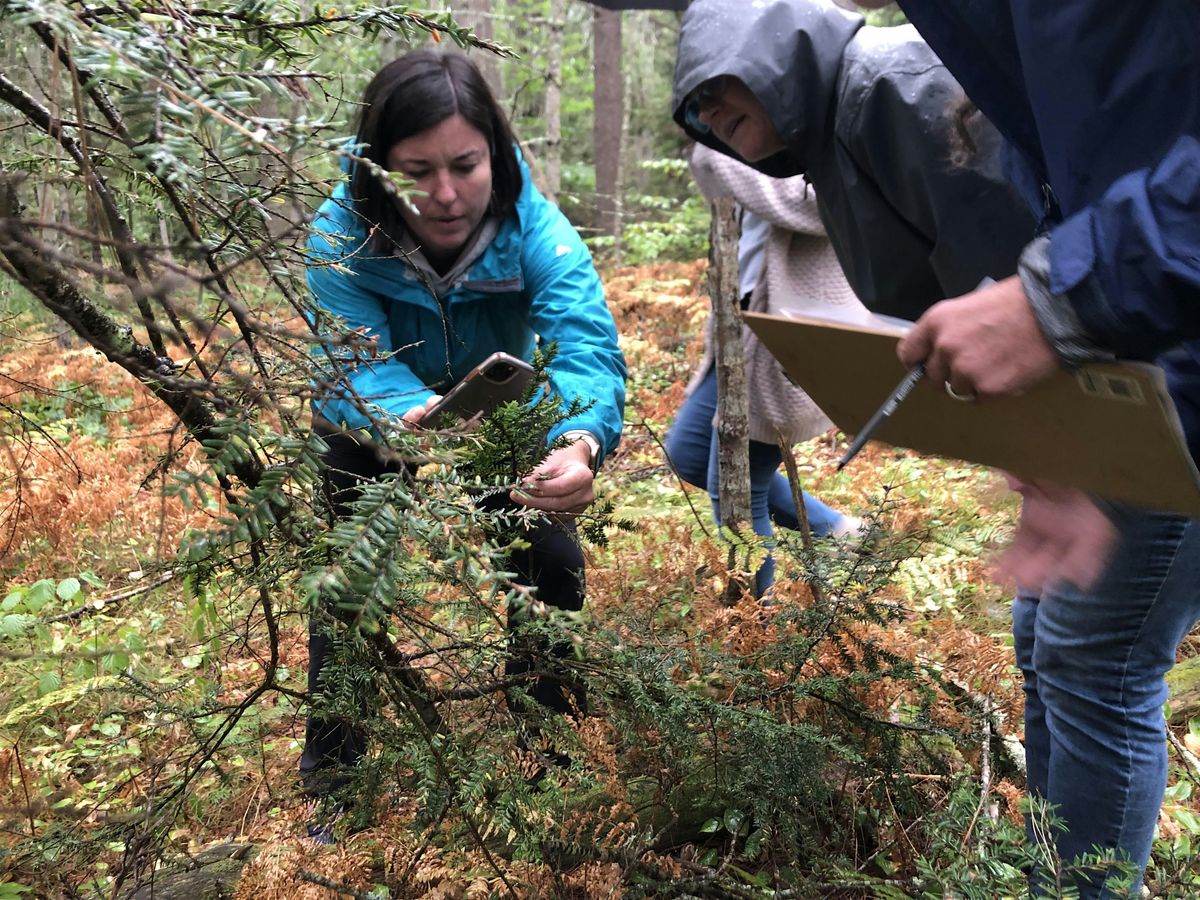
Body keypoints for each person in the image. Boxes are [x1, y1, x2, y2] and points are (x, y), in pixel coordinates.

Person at [857, 1, 1200, 895]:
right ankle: (1055, 874)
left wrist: (1069, 304)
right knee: (1046, 628)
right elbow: (1106, 170)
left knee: (1098, 657)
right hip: (1148, 357)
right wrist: (1083, 412)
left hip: (1151, 342)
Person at [302, 50, 626, 811]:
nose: (446, 194)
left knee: (550, 565)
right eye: (416, 170)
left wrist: (576, 443)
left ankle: (542, 741)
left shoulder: (534, 228)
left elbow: (584, 345)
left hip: (499, 413)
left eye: (466, 164)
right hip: (378, 421)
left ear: (495, 153)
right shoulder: (340, 234)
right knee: (351, 580)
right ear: (377, 167)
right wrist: (399, 416)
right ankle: (336, 773)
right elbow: (349, 361)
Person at [670, 0, 1035, 321]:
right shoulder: (826, 141)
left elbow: (1016, 280)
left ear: (770, 53)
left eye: (710, 85)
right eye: (691, 110)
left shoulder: (890, 89)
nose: (705, 114)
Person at [665, 144, 863, 597]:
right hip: (738, 332)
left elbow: (821, 203)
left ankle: (756, 628)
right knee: (689, 453)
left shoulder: (816, 134)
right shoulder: (747, 139)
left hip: (780, 335)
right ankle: (837, 529)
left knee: (738, 492)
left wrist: (720, 157)